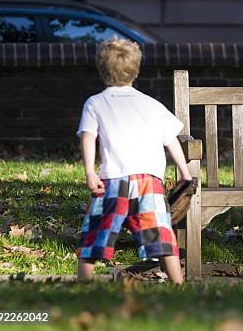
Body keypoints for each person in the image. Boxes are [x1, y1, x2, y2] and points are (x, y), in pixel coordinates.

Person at [76, 37, 192, 284]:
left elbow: (88, 137)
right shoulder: (151, 104)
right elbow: (171, 140)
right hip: (149, 181)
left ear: (101, 68)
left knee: (96, 232)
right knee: (161, 235)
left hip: (112, 180)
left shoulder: (95, 103)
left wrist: (89, 171)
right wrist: (184, 171)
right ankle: (179, 285)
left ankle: (83, 285)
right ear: (136, 70)